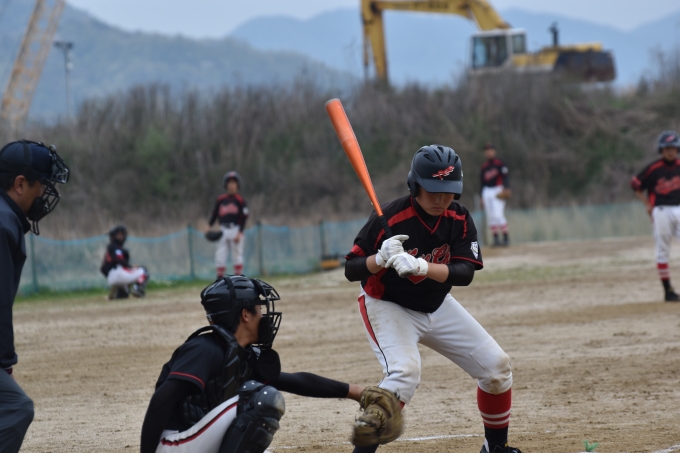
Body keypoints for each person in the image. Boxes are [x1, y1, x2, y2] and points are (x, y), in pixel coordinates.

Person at [344, 145, 521, 453]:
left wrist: (422, 267)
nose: (441, 199)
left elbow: (465, 273)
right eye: (433, 191)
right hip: (389, 305)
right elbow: (351, 268)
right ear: (415, 187)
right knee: (404, 375)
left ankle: (496, 448)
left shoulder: (459, 217)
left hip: (437, 305)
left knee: (496, 368)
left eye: (448, 192)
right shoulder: (390, 217)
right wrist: (379, 259)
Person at [140, 275, 365, 453]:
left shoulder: (242, 355)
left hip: (196, 440)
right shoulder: (205, 348)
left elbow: (294, 381)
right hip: (172, 444)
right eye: (259, 308)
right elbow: (161, 399)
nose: (264, 315)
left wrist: (356, 392)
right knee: (260, 399)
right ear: (245, 314)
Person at [0, 139, 69, 453]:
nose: (44, 192)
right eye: (41, 184)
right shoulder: (4, 222)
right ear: (19, 184)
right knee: (16, 408)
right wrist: (4, 362)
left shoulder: (6, 216)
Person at [631, 130, 680, 302]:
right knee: (663, 250)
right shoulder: (654, 168)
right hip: (661, 210)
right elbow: (635, 184)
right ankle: (668, 291)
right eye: (667, 148)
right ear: (661, 150)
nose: (670, 151)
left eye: (673, 148)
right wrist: (647, 203)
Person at [208, 171, 249, 278]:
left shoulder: (240, 200)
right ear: (226, 185)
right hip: (223, 229)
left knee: (237, 255)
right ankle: (220, 280)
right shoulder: (221, 199)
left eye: (234, 183)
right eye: (229, 183)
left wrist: (240, 232)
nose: (232, 185)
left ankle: (238, 280)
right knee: (220, 256)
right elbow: (215, 213)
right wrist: (209, 226)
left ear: (237, 185)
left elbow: (244, 217)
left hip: (236, 229)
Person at [100, 224, 149, 299]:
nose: (122, 236)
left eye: (122, 234)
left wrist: (111, 278)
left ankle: (119, 290)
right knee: (144, 271)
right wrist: (130, 266)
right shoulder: (115, 247)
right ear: (114, 236)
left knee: (124, 295)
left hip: (112, 277)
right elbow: (119, 260)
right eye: (119, 235)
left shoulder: (110, 247)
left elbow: (102, 269)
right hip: (119, 273)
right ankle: (137, 289)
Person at [479, 142, 510, 247]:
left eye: (490, 150)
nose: (488, 152)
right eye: (486, 151)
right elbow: (482, 183)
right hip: (487, 191)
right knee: (490, 216)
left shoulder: (499, 163)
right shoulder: (484, 166)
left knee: (498, 214)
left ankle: (505, 238)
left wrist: (507, 188)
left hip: (498, 189)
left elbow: (505, 176)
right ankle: (496, 239)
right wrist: (481, 196)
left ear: (494, 151)